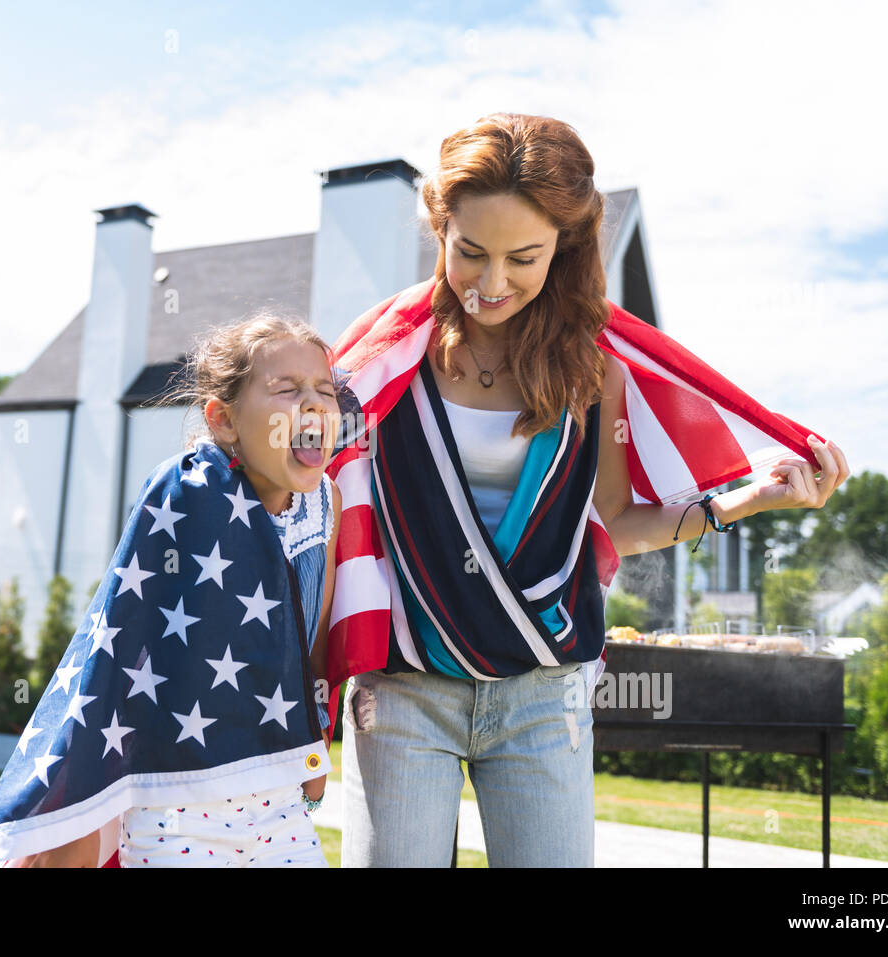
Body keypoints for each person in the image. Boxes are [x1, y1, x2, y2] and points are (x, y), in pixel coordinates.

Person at [322, 113, 851, 867]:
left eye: (523, 257)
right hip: (404, 689)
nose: (492, 283)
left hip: (545, 694)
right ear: (438, 228)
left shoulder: (593, 371)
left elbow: (612, 521)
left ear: (563, 248)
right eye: (469, 252)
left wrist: (747, 501)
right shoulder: (379, 364)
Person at [0, 315, 343, 868]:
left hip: (275, 799)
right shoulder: (182, 495)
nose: (313, 405)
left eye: (325, 391)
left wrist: (313, 749)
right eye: (286, 389)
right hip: (177, 805)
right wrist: (78, 809)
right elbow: (117, 648)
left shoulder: (325, 505)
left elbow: (309, 644)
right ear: (224, 420)